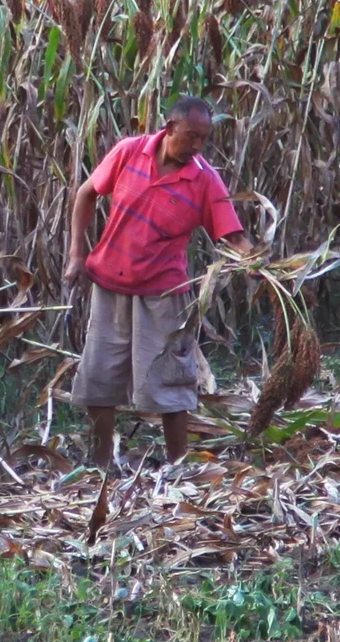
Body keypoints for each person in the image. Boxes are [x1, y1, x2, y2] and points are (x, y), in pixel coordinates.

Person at [65, 95, 251, 467]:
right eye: (190, 136)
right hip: (110, 285)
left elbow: (233, 237)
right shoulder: (128, 152)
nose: (197, 146)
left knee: (171, 381)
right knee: (100, 376)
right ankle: (101, 464)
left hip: (163, 294)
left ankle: (178, 464)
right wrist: (76, 256)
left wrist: (257, 261)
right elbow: (86, 194)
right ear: (169, 128)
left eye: (204, 139)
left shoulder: (204, 180)